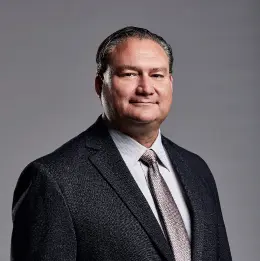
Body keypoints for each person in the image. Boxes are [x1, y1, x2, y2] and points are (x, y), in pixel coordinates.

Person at [11, 26, 232, 261]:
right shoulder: (53, 179)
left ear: (170, 83)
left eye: (156, 75)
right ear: (100, 85)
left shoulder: (197, 170)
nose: (146, 88)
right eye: (129, 74)